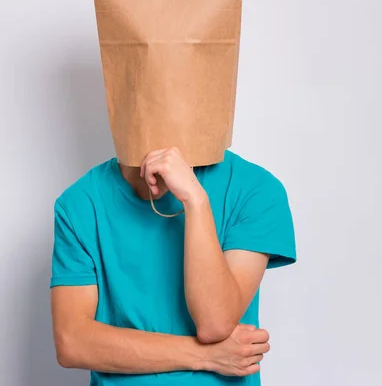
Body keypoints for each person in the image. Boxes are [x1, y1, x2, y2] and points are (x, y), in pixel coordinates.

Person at [50, 146, 296, 385]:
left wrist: (195, 200)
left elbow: (215, 324)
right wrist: (207, 356)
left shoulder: (255, 189)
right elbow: (72, 342)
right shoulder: (80, 203)